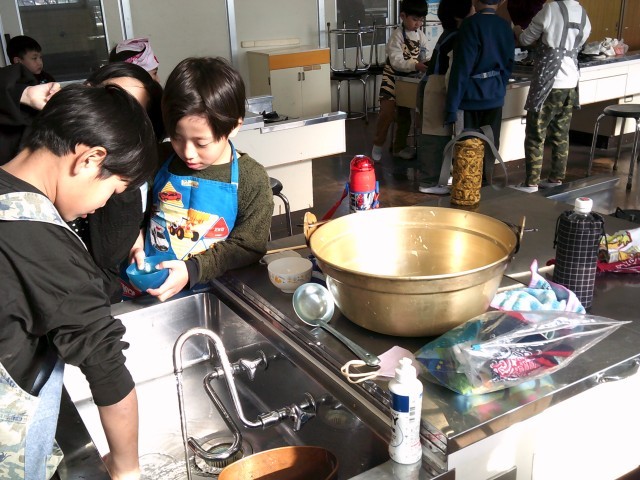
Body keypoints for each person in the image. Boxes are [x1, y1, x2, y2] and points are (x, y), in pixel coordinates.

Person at [0, 84, 157, 479]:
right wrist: (126, 468)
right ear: (89, 159)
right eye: (114, 189)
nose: (104, 204)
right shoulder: (47, 247)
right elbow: (106, 367)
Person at [128, 57, 273, 302]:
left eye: (201, 143)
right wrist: (135, 242)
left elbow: (249, 246)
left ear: (234, 126)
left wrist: (193, 270)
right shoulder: (159, 159)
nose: (187, 153)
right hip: (153, 285)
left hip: (215, 292)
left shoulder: (251, 179)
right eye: (176, 138)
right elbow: (134, 212)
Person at [513, 0, 591, 193]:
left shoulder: (550, 9)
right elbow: (580, 44)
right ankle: (556, 178)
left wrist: (516, 30)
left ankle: (531, 183)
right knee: (561, 134)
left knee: (535, 134)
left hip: (549, 83)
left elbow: (525, 39)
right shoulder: (583, 14)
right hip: (571, 82)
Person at [444, 0, 514, 179]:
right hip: (495, 95)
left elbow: (461, 69)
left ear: (475, 1)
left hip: (470, 96)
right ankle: (487, 182)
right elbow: (508, 64)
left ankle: (468, 185)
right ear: (499, 2)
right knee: (491, 144)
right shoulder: (505, 25)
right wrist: (499, 86)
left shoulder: (470, 25)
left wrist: (451, 107)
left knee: (468, 146)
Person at [417, 0, 474, 194]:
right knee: (434, 135)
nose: (474, 9)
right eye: (470, 7)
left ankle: (436, 178)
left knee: (437, 133)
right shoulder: (457, 36)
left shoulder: (449, 33)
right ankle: (428, 182)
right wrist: (454, 99)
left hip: (432, 84)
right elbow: (452, 73)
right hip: (437, 86)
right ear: (459, 16)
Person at [371, 0, 429, 162]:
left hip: (408, 80)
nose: (418, 23)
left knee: (405, 117)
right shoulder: (396, 36)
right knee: (386, 113)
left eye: (421, 20)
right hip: (391, 79)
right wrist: (415, 65)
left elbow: (424, 55)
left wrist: (424, 63)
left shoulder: (421, 36)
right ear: (403, 16)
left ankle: (399, 147)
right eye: (415, 19)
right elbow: (396, 61)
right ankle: (377, 144)